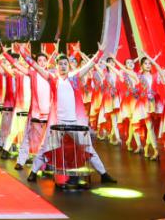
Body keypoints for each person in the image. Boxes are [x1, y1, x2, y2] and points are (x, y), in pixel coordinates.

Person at [26, 47, 117, 184]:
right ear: (56, 66)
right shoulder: (52, 79)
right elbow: (36, 67)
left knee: (88, 148)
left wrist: (100, 53)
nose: (63, 66)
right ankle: (33, 173)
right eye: (60, 64)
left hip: (74, 123)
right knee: (45, 148)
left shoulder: (74, 78)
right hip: (57, 124)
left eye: (65, 64)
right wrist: (24, 54)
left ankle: (104, 174)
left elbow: (89, 65)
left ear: (68, 66)